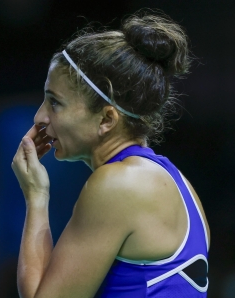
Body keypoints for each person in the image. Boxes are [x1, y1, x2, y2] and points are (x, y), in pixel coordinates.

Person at [12, 11, 210, 297]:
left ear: (107, 119)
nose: (40, 116)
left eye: (55, 103)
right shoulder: (180, 184)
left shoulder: (118, 185)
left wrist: (36, 198)